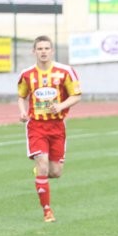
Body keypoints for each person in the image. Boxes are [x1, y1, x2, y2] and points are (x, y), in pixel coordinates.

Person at [17, 35, 82, 222]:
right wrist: (23, 112)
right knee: (43, 164)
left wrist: (61, 106)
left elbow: (76, 95)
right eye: (40, 49)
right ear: (34, 51)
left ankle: (40, 171)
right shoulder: (27, 75)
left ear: (52, 51)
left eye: (46, 48)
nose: (43, 52)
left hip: (57, 126)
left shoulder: (65, 72)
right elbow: (21, 96)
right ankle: (47, 211)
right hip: (36, 126)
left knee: (55, 172)